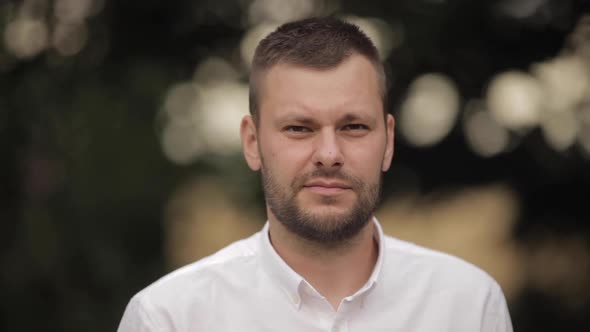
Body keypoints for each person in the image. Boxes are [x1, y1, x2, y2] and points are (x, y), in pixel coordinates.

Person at [118, 17, 513, 332]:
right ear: (252, 142)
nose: (328, 154)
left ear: (388, 141)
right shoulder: (169, 319)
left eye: (354, 126)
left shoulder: (469, 307)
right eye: (299, 128)